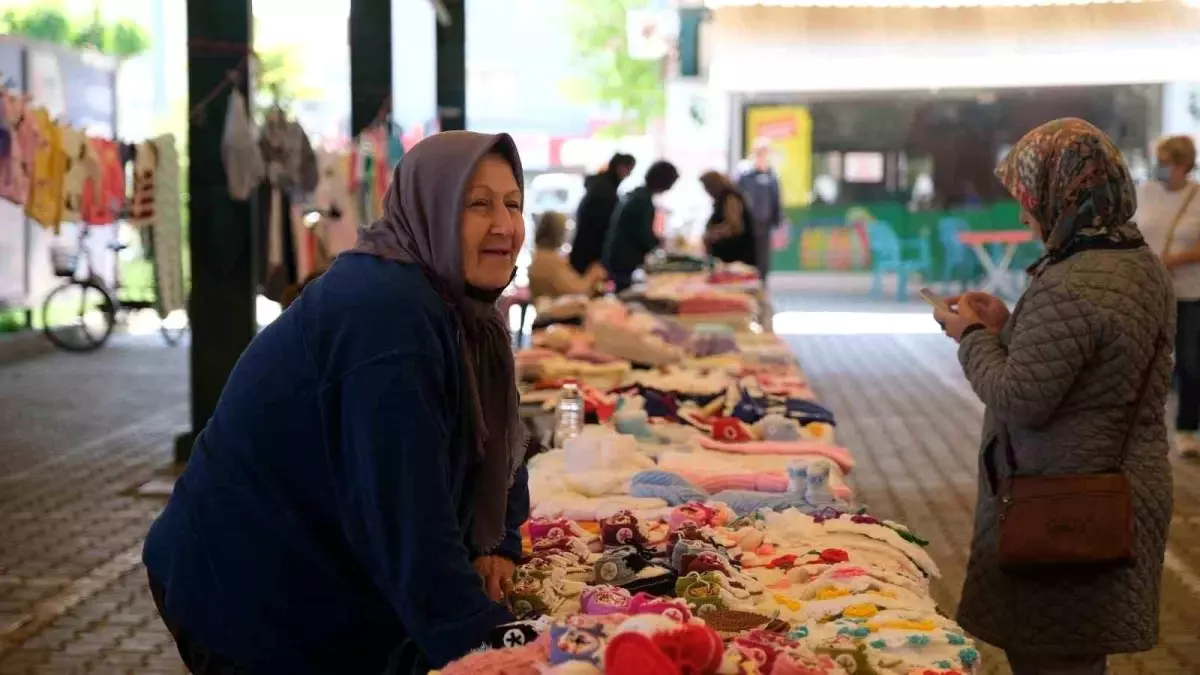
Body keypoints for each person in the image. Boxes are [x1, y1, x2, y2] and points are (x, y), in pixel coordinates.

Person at [143, 131, 532, 675]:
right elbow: (406, 510)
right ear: (431, 207)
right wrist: (490, 650)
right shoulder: (387, 314)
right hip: (248, 588)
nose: (503, 225)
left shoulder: (465, 308)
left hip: (324, 570)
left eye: (513, 204)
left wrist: (501, 541)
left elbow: (501, 436)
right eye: (477, 204)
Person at [932, 118, 1173, 675]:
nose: (1023, 213)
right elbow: (1092, 362)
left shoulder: (1072, 280)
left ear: (1062, 192)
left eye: (1028, 197)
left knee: (1053, 659)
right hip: (1117, 485)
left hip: (1065, 501)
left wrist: (969, 337)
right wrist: (1008, 325)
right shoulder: (1137, 263)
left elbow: (1020, 396)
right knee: (1079, 657)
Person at [1135, 135, 1200, 458]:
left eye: (1168, 163)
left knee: (1190, 362)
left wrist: (1175, 259)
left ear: (1185, 165)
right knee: (1142, 361)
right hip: (1148, 291)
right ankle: (1140, 430)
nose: (1161, 169)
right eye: (1159, 162)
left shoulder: (1198, 196)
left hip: (1191, 292)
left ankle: (1187, 428)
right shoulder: (1145, 193)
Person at [602, 160, 679, 292]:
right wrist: (659, 242)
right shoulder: (643, 201)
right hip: (624, 260)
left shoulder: (636, 195)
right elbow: (643, 235)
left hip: (615, 257)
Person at [569, 153, 636, 274]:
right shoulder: (605, 191)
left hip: (583, 250)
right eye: (629, 169)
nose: (628, 174)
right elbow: (602, 227)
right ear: (620, 167)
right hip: (592, 254)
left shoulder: (599, 185)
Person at [528, 211, 607, 299]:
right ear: (557, 232)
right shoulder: (550, 260)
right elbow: (576, 292)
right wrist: (593, 276)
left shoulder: (539, 255)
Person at [737, 137, 783, 280]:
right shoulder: (745, 178)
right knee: (748, 258)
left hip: (765, 225)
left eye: (765, 153)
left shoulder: (772, 178)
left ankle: (762, 285)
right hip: (747, 225)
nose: (762, 157)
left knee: (763, 260)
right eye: (759, 153)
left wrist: (777, 222)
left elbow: (776, 201)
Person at [699, 170, 756, 267]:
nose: (707, 191)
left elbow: (735, 226)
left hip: (735, 254)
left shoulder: (730, 197)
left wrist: (712, 234)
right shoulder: (722, 199)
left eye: (708, 187)